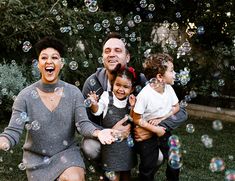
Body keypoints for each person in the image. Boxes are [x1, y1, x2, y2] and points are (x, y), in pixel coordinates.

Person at [0, 36, 118, 181]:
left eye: (55, 57)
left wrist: (98, 133)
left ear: (61, 63)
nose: (49, 61)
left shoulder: (74, 93)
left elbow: (82, 124)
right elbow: (13, 131)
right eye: (44, 58)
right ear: (38, 64)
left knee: (74, 179)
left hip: (67, 154)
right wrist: (3, 141)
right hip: (36, 159)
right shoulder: (25, 96)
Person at [81, 32, 187, 179]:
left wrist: (152, 129)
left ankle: (142, 173)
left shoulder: (142, 82)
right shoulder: (93, 84)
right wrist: (110, 131)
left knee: (158, 157)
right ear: (102, 57)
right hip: (106, 139)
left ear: (128, 57)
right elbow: (84, 122)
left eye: (117, 50)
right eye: (107, 51)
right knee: (89, 146)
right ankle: (106, 172)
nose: (111, 54)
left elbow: (180, 111)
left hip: (136, 138)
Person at [132, 53, 183, 181]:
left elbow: (176, 107)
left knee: (175, 158)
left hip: (163, 131)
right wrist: (155, 129)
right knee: (149, 164)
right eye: (171, 71)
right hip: (147, 133)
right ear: (160, 77)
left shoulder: (169, 89)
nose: (174, 74)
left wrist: (161, 119)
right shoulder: (145, 95)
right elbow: (136, 119)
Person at [86, 66, 138, 181]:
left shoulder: (131, 100)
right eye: (118, 85)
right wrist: (93, 103)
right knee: (114, 177)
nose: (121, 89)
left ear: (132, 88)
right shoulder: (106, 97)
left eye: (126, 87)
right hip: (111, 148)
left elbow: (133, 120)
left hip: (127, 148)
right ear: (113, 84)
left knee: (126, 175)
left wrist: (133, 107)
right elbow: (97, 111)